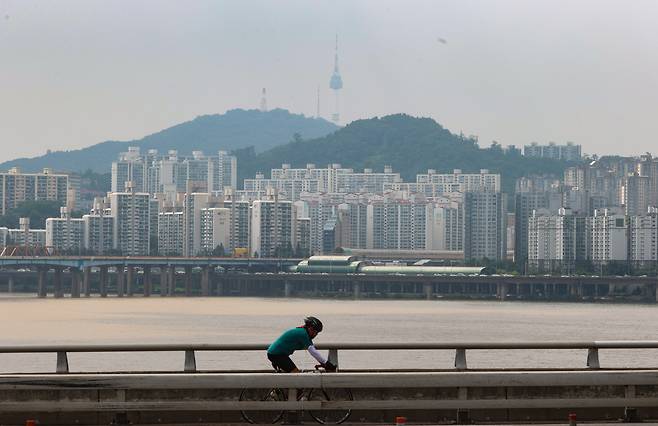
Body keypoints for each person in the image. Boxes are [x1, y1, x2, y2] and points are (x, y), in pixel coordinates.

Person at [267, 316, 337, 372]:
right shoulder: (303, 334)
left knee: (289, 376)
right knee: (296, 374)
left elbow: (312, 350)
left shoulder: (302, 331)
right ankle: (283, 389)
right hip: (277, 355)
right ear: (308, 327)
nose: (315, 334)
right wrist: (327, 364)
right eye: (313, 331)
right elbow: (313, 351)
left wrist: (323, 363)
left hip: (276, 354)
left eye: (317, 332)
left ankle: (279, 389)